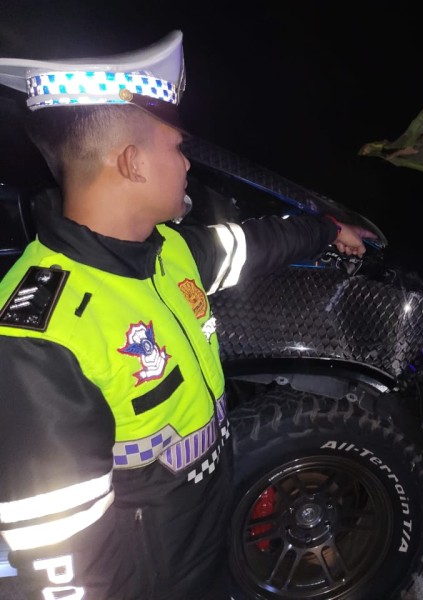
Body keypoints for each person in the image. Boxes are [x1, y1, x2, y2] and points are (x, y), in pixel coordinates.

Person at [0, 31, 375, 600]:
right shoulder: (38, 335)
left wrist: (327, 230)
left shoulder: (164, 251)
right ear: (132, 163)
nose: (186, 164)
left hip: (208, 543)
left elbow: (252, 244)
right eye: (177, 148)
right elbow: (62, 564)